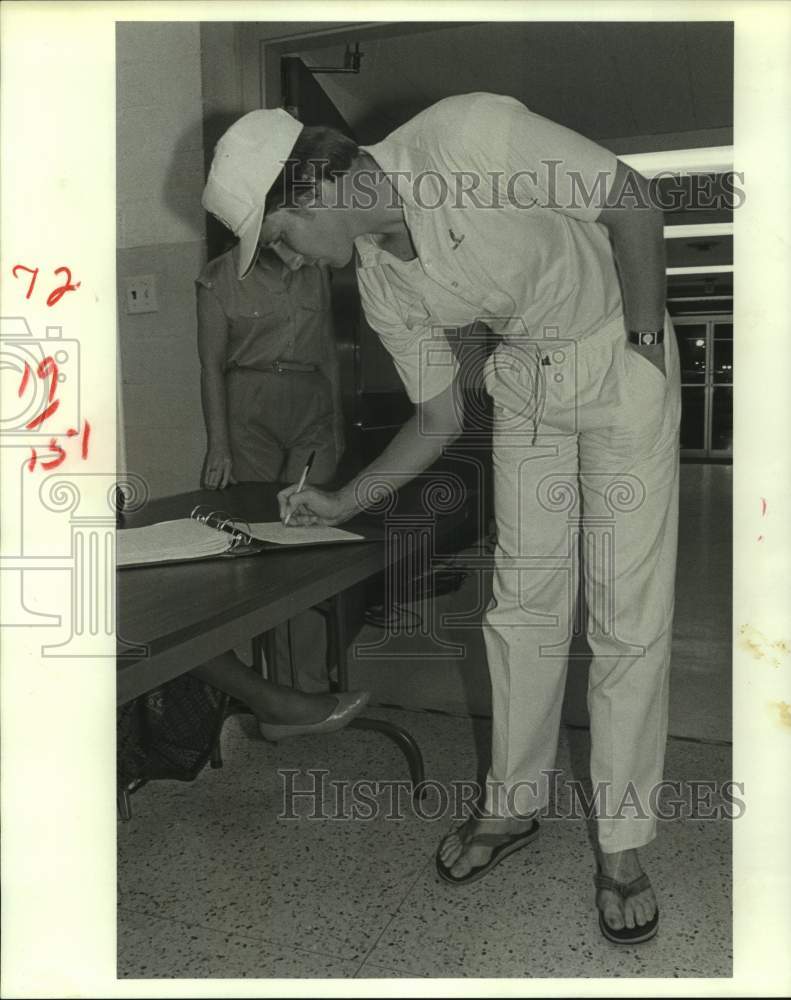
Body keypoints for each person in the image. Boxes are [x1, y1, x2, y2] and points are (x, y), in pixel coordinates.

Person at [201, 96, 681, 945]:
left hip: (619, 352)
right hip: (527, 378)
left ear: (308, 194)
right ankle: (511, 808)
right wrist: (343, 502)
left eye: (277, 237)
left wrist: (644, 350)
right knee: (523, 609)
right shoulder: (381, 279)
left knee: (625, 615)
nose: (288, 257)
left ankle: (622, 845)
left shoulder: (468, 134)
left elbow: (631, 201)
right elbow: (438, 419)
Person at [196, 241, 343, 693]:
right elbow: (211, 366)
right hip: (249, 403)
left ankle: (312, 684)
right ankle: (280, 689)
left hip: (310, 400)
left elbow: (331, 354)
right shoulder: (216, 277)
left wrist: (337, 425)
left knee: (309, 536)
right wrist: (219, 444)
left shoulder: (313, 268)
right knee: (265, 544)